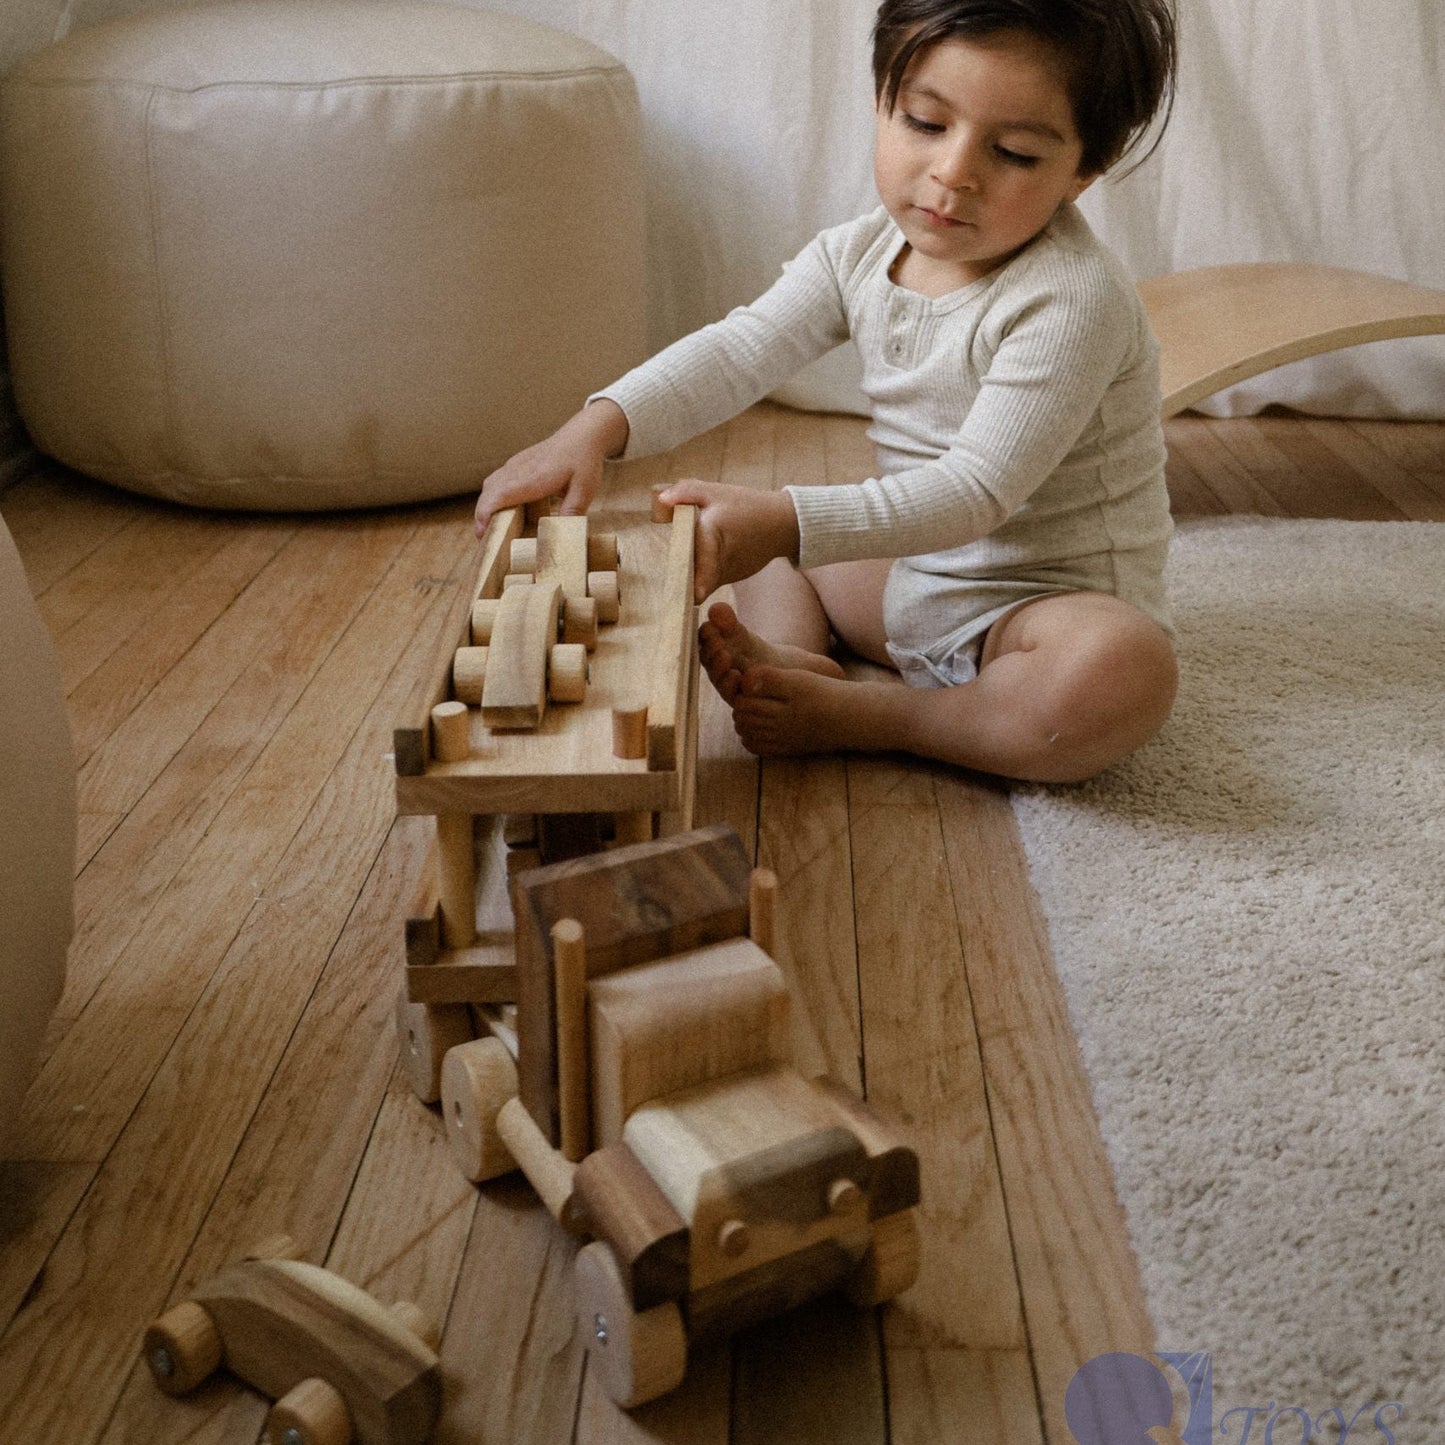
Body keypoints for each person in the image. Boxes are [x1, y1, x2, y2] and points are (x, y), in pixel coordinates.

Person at [475, 0, 1179, 784]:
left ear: (1080, 173)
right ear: (883, 101)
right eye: (923, 122)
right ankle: (795, 665)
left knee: (1119, 671)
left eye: (1012, 153)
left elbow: (978, 491)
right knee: (741, 528)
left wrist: (788, 523)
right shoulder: (857, 253)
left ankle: (888, 717)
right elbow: (740, 349)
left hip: (1035, 610)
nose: (954, 172)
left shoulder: (1070, 298)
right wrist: (594, 427)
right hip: (914, 582)